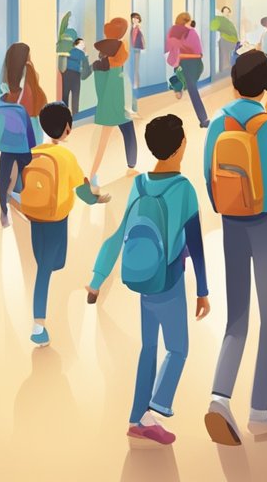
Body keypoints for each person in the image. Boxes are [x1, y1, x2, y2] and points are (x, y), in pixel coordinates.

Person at [86, 114, 210, 445]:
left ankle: (136, 417)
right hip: (168, 282)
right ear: (181, 146)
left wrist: (97, 278)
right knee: (179, 349)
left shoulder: (139, 184)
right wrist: (203, 290)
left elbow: (120, 233)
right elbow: (195, 244)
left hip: (143, 278)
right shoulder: (183, 189)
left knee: (149, 348)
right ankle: (153, 408)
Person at [203, 51, 267, 445]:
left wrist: (227, 207)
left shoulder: (218, 122)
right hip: (264, 225)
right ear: (266, 87)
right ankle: (259, 410)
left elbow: (208, 177)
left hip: (231, 223)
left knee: (237, 317)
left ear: (232, 82)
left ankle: (218, 398)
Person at [24, 102, 107, 346]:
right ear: (68, 129)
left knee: (50, 263)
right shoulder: (66, 156)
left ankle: (41, 310)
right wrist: (97, 199)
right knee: (45, 270)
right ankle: (38, 325)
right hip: (56, 219)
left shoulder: (34, 152)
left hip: (35, 216)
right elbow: (83, 191)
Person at [0, 43, 48, 228]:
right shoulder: (29, 79)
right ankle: (23, 203)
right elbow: (39, 102)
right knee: (25, 170)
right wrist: (34, 75)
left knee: (8, 169)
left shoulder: (5, 85)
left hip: (9, 135)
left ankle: (4, 206)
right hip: (29, 134)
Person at [89, 17, 138, 191]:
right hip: (120, 106)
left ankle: (93, 174)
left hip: (108, 106)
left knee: (104, 141)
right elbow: (125, 89)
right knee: (129, 134)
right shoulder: (119, 61)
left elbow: (99, 87)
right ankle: (131, 167)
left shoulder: (101, 62)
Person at [165, 12, 210, 128]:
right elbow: (198, 52)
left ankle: (177, 84)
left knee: (191, 87)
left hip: (190, 64)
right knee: (192, 90)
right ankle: (203, 119)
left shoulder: (181, 33)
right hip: (190, 64)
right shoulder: (184, 33)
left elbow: (172, 50)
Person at [61, 37, 91, 116]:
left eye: (84, 44)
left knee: (68, 95)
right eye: (82, 43)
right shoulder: (77, 52)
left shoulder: (73, 51)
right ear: (76, 44)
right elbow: (84, 63)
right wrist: (86, 55)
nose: (84, 45)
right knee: (72, 95)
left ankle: (69, 114)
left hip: (70, 74)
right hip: (71, 74)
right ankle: (74, 114)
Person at [211, 6, 238, 73]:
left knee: (228, 55)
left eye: (228, 12)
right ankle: (223, 70)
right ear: (222, 13)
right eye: (225, 12)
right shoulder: (220, 20)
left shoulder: (230, 22)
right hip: (223, 40)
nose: (227, 13)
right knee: (223, 55)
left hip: (230, 41)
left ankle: (227, 69)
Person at [128, 12, 145, 112]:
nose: (135, 20)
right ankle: (134, 84)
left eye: (137, 18)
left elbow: (141, 39)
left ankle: (136, 84)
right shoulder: (132, 28)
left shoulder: (138, 29)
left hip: (137, 49)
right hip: (132, 49)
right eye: (134, 18)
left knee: (136, 68)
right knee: (133, 67)